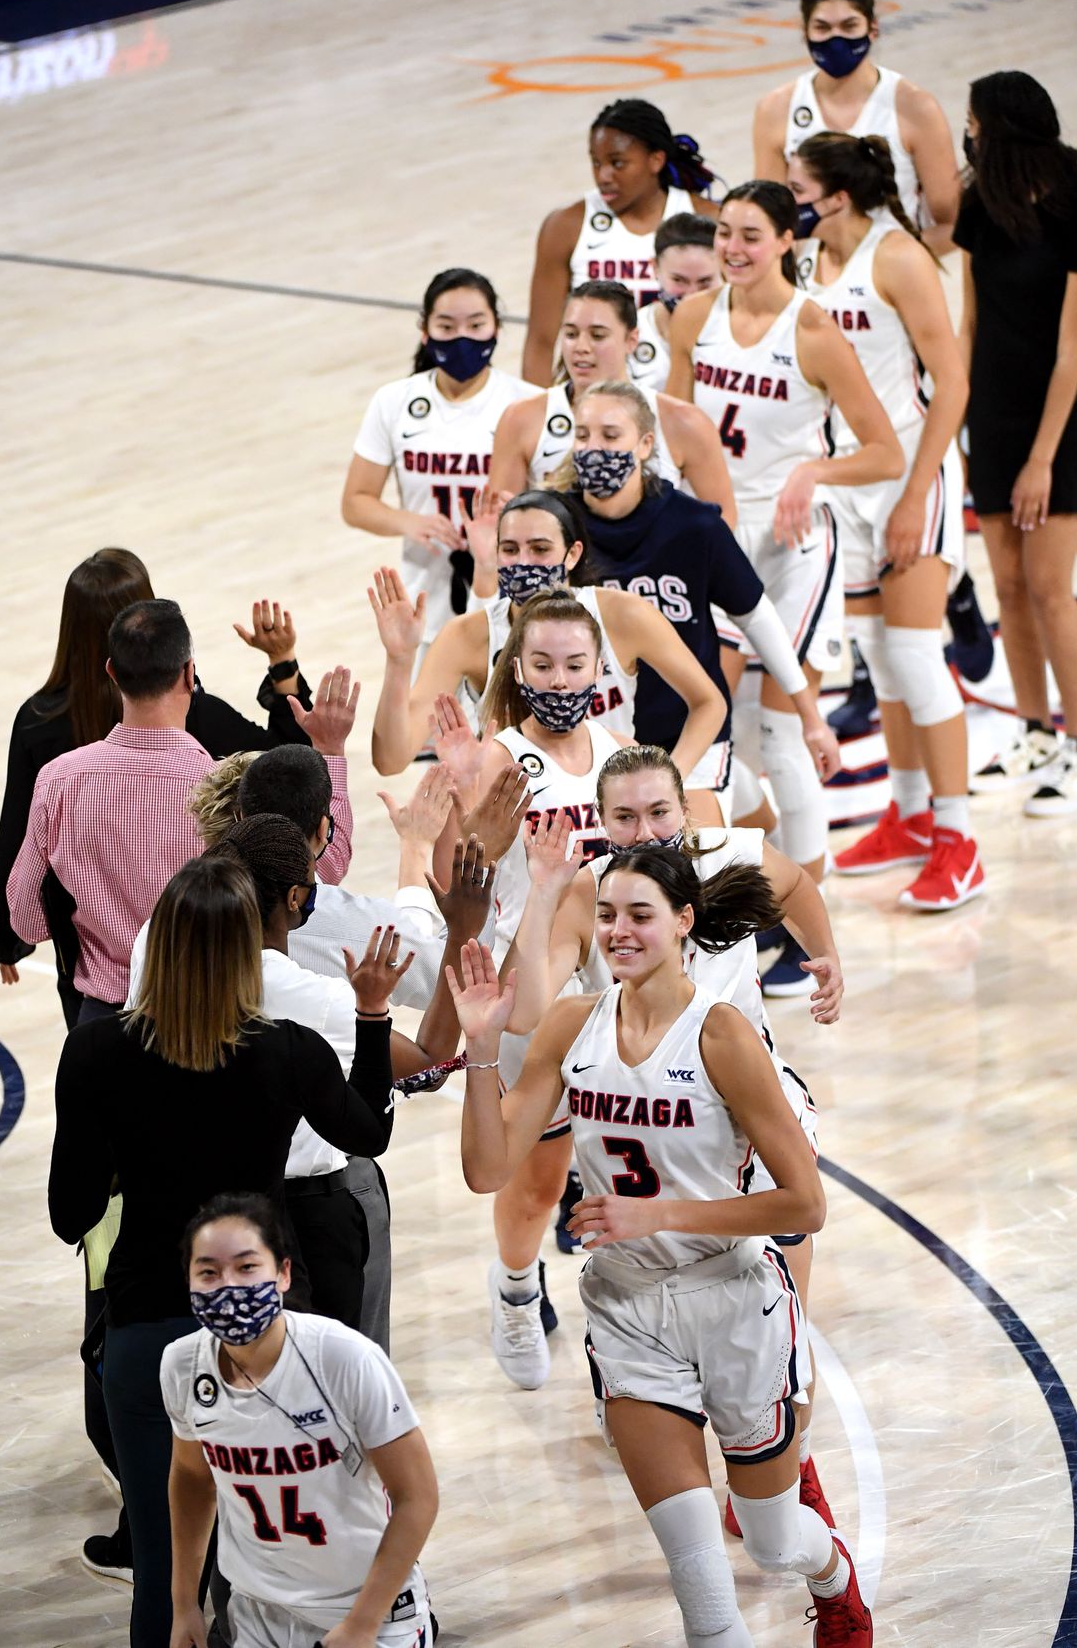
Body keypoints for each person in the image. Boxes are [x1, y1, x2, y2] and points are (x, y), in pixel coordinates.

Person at [448, 859, 872, 1648]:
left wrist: (664, 1213)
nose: (618, 931)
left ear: (684, 920)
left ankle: (833, 1576)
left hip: (735, 1298)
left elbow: (806, 1204)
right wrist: (478, 1050)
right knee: (705, 1601)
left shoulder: (722, 1033)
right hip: (628, 1307)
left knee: (775, 1541)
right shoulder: (571, 1024)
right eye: (606, 915)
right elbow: (487, 1170)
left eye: (639, 914)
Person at [49, 854, 409, 1648]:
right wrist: (374, 1019)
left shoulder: (97, 1055)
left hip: (145, 1328)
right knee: (261, 1567)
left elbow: (68, 1214)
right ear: (252, 950)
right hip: (265, 1337)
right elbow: (370, 1132)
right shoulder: (289, 1050)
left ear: (160, 947)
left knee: (166, 1570)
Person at [499, 744, 840, 1523]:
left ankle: (789, 1463)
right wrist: (546, 897)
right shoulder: (592, 894)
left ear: (687, 813)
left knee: (784, 1294)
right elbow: (527, 1012)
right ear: (601, 821)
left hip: (743, 1101)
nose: (644, 829)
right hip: (649, 1114)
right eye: (624, 816)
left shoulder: (730, 854)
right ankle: (643, 1383)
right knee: (647, 1269)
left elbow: (798, 885)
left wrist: (828, 959)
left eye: (659, 812)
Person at [126, 813, 487, 1336]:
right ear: (295, 897)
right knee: (333, 1386)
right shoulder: (309, 1002)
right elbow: (428, 1061)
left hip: (178, 1204)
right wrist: (460, 935)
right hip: (302, 1212)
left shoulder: (155, 943)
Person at [668, 182, 903, 985]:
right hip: (716, 540)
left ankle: (809, 937)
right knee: (722, 724)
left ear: (784, 242)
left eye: (750, 235)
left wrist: (813, 467)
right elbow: (675, 430)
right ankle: (752, 902)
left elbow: (885, 452)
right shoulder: (693, 317)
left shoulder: (811, 328)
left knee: (776, 729)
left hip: (794, 543)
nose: (733, 247)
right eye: (725, 232)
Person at [0, 548, 318, 1028]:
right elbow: (289, 773)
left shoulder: (48, 748)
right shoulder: (208, 754)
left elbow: (20, 879)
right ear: (186, 670)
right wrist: (283, 666)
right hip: (206, 1002)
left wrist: (9, 936)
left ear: (112, 668)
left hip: (98, 1008)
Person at [431, 590, 630, 1388]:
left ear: (599, 669)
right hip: (527, 979)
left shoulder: (622, 753)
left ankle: (624, 1349)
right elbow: (449, 884)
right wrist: (474, 837)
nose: (557, 676)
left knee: (620, 1167)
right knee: (538, 1177)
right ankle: (515, 1288)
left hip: (614, 978)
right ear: (516, 668)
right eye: (541, 663)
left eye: (573, 663)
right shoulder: (495, 757)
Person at [788, 131, 985, 910]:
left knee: (912, 653)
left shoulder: (896, 257)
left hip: (912, 471)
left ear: (837, 196)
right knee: (877, 652)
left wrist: (915, 495)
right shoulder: (809, 260)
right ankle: (907, 814)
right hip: (850, 477)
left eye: (799, 186)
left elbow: (955, 385)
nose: (789, 195)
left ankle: (960, 840)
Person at [557, 380, 842, 837]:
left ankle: (798, 887)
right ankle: (751, 821)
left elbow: (756, 617)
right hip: (597, 741)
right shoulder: (556, 525)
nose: (594, 449)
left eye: (610, 436)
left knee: (691, 867)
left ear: (646, 444)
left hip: (689, 731)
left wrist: (811, 716)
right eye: (583, 435)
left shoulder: (693, 525)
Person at [163, 1193, 438, 1648]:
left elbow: (418, 1497)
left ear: (283, 1274)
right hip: (257, 1613)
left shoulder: (344, 1358)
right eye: (208, 1272)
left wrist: (361, 1625)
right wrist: (184, 1604)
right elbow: (192, 1479)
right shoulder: (181, 1365)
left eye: (247, 1267)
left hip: (367, 1610)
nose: (228, 1285)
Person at [366, 489, 727, 816]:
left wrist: (663, 781)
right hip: (518, 818)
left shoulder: (622, 615)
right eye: (510, 550)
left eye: (540, 549)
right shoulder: (467, 636)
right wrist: (399, 661)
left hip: (613, 809)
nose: (524, 562)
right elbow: (392, 759)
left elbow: (710, 703)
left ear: (572, 555)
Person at [958, 71, 1077, 814]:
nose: (969, 134)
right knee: (1009, 588)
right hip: (991, 414)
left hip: (1062, 414)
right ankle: (1034, 729)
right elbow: (971, 323)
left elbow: (1072, 348)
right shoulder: (978, 205)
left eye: (975, 123)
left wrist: (1044, 458)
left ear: (1003, 127)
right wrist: (959, 413)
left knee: (1052, 587)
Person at [342, 267, 537, 658]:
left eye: (476, 324)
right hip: (424, 608)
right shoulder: (394, 401)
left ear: (497, 327)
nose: (462, 337)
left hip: (514, 604)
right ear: (425, 331)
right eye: (447, 326)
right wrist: (410, 522)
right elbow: (355, 502)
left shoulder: (527, 403)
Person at [752, 0, 959, 251]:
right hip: (811, 282)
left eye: (849, 26)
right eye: (823, 28)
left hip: (893, 282)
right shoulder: (776, 109)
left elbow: (952, 224)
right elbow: (770, 221)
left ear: (873, 28)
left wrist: (887, 263)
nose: (836, 40)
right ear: (805, 32)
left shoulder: (916, 107)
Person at [491, 281, 735, 518]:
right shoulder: (521, 419)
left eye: (597, 335)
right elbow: (500, 523)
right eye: (571, 334)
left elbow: (723, 519)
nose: (581, 347)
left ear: (632, 340)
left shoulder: (682, 421)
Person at [522, 99, 718, 385]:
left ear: (656, 160)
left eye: (618, 163)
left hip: (685, 391)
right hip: (593, 398)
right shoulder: (566, 227)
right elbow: (540, 342)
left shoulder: (708, 219)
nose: (603, 176)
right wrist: (540, 415)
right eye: (596, 162)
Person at [630, 212, 720, 396]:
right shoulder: (629, 332)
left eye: (705, 282)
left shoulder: (738, 337)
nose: (691, 296)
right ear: (655, 268)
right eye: (679, 280)